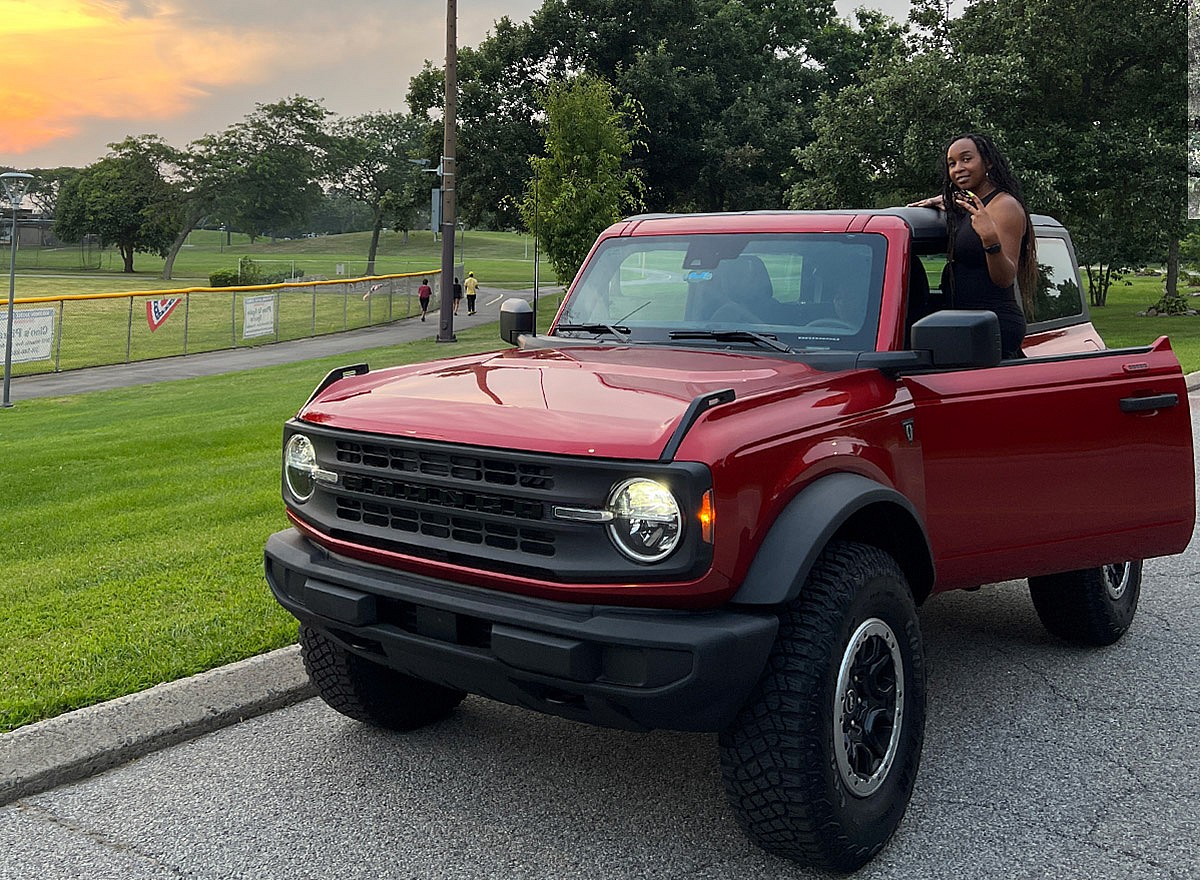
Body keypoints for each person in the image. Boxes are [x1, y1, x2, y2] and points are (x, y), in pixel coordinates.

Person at [909, 133, 1037, 358]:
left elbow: (1005, 277)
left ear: (987, 161)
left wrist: (990, 240)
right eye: (952, 163)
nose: (958, 168)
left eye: (966, 159)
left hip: (992, 325)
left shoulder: (1004, 206)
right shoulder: (971, 206)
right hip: (964, 324)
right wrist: (945, 201)